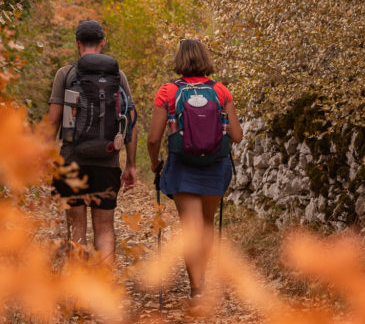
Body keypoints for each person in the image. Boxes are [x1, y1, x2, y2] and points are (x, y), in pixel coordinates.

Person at [147, 38, 243, 301]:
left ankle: (197, 288)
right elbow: (236, 136)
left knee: (190, 228)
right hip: (214, 165)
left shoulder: (167, 91)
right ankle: (206, 283)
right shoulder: (221, 91)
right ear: (205, 59)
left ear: (179, 59)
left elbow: (154, 138)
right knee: (207, 225)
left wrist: (155, 162)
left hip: (182, 166)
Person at [47, 20, 137, 266]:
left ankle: (77, 296)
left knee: (76, 228)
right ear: (102, 43)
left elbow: (53, 122)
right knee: (105, 229)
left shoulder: (65, 74)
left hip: (71, 162)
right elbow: (130, 123)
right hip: (107, 162)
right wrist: (130, 163)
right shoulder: (118, 76)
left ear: (77, 43)